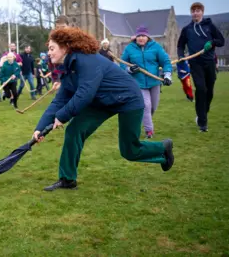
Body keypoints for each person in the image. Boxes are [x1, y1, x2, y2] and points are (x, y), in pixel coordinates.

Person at [33, 27, 175, 191]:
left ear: (65, 47)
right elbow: (58, 101)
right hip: (101, 102)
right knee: (74, 130)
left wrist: (61, 117)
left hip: (128, 99)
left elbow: (85, 93)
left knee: (130, 150)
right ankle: (67, 179)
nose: (48, 53)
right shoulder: (68, 69)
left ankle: (162, 148)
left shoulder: (86, 61)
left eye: (52, 48)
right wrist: (40, 129)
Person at [177, 2, 225, 132]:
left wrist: (212, 42)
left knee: (209, 91)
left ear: (202, 12)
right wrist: (181, 56)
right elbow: (180, 45)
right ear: (191, 13)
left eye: (198, 10)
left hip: (209, 62)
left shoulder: (210, 26)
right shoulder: (187, 29)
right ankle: (202, 123)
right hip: (195, 63)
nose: (195, 13)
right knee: (201, 88)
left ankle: (203, 111)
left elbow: (222, 41)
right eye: (193, 11)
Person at [120, 25, 173, 138]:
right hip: (138, 83)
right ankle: (149, 131)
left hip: (154, 82)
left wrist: (167, 75)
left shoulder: (156, 47)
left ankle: (144, 121)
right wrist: (129, 69)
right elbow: (122, 63)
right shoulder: (130, 48)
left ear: (147, 37)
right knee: (146, 105)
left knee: (153, 107)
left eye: (143, 36)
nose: (141, 38)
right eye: (139, 36)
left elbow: (166, 61)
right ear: (136, 37)